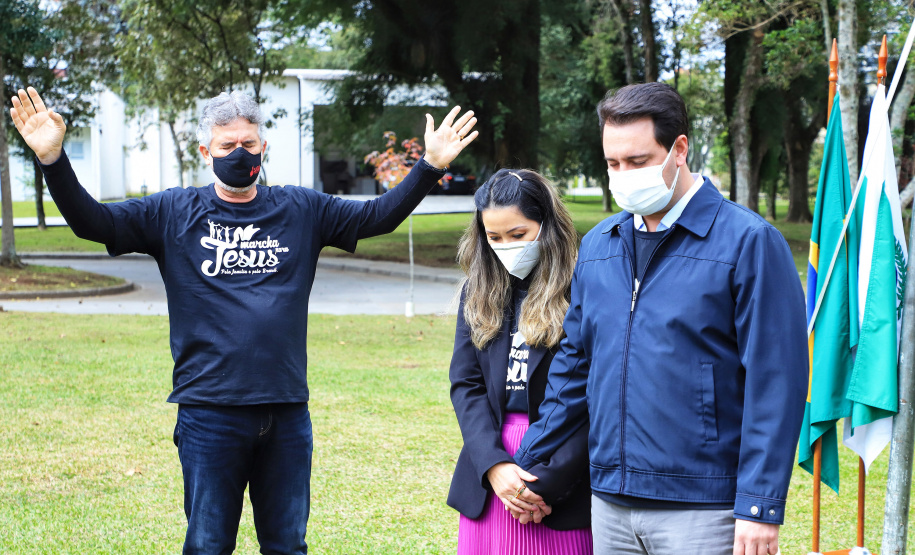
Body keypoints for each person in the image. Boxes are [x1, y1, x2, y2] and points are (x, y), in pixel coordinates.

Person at [9, 86, 478, 554]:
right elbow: (96, 223)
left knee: (287, 545)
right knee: (209, 545)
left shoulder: (301, 209)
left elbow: (378, 217)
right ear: (205, 151)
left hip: (287, 413)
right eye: (227, 145)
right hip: (209, 413)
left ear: (263, 146)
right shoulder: (172, 212)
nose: (239, 154)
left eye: (248, 145)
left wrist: (429, 166)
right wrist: (53, 160)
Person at [513, 82, 808, 555]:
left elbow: (777, 383)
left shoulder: (749, 242)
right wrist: (528, 461)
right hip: (608, 504)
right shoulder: (597, 246)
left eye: (638, 161)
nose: (623, 175)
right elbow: (574, 367)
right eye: (613, 164)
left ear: (679, 149)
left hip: (704, 507)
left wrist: (759, 506)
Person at [448, 169, 592, 554]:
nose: (505, 246)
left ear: (547, 225)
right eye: (494, 237)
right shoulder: (477, 292)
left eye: (518, 235)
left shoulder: (583, 288)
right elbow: (466, 385)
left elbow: (591, 398)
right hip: (490, 469)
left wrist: (544, 483)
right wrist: (493, 466)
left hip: (559, 474)